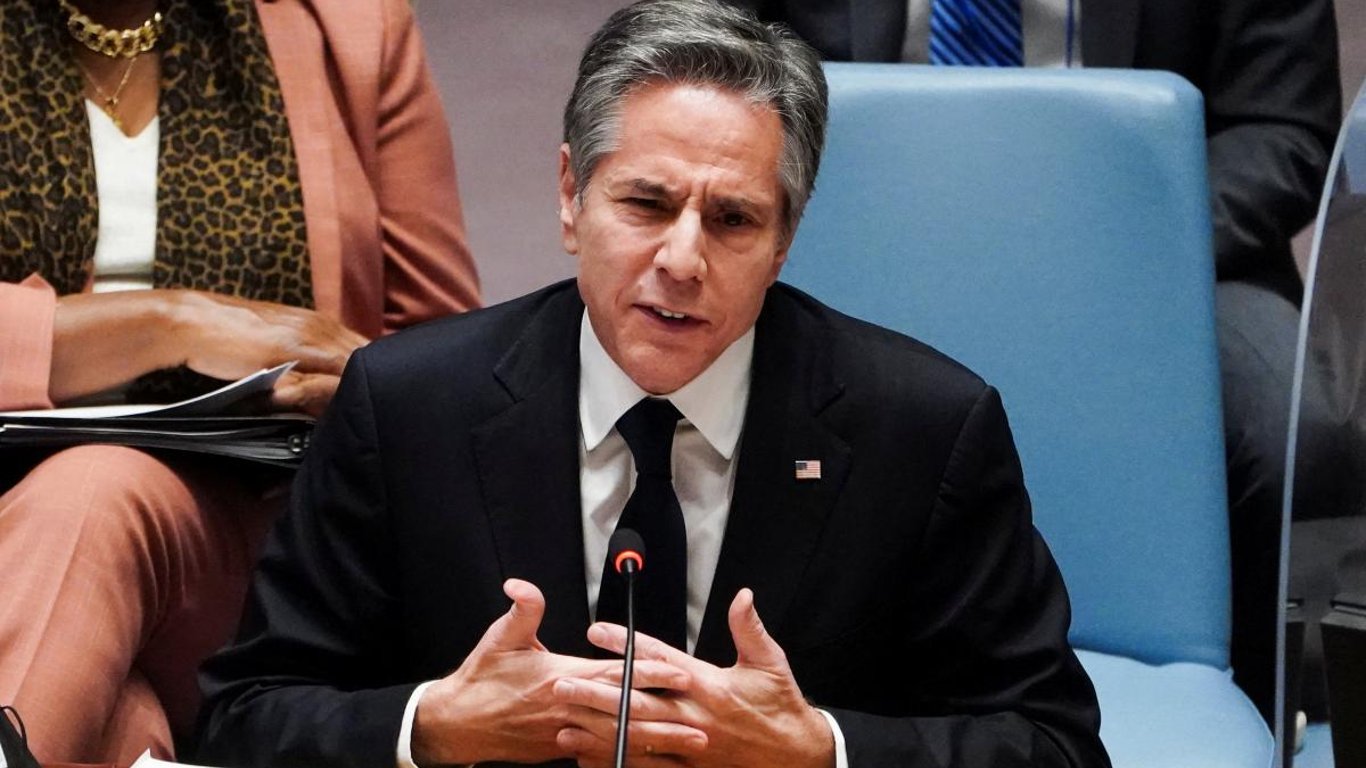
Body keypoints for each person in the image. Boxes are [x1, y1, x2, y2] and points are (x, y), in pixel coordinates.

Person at [196, 1, 1108, 766]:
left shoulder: (924, 428)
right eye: (646, 203)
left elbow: (1053, 742)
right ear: (570, 196)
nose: (682, 259)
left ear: (784, 240)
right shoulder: (407, 406)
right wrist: (433, 725)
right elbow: (245, 713)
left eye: (733, 219)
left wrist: (819, 749)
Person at [724, 0, 1343, 723]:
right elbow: (699, 64)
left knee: (1292, 427)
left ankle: (1264, 711)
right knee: (695, 366)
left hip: (1154, 252)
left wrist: (1122, 234)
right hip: (847, 232)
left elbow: (1283, 127)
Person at [0, 0, 479, 763]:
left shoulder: (350, 25)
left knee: (93, 493)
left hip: (254, 549)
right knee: (119, 729)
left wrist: (368, 396)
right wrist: (176, 323)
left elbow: (442, 362)